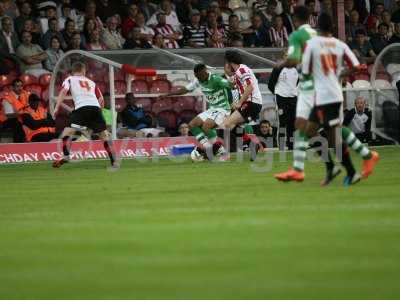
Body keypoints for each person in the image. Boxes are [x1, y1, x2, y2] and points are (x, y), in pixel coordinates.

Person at [274, 7, 378, 185]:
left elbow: (301, 67)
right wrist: (337, 74)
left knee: (331, 132)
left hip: (318, 91)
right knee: (312, 129)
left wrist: (282, 64)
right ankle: (319, 168)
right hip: (326, 90)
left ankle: (362, 159)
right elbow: (355, 65)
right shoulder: (333, 41)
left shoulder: (302, 38)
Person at [52, 62, 118, 169]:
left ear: (73, 71)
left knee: (67, 133)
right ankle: (114, 161)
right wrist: (98, 114)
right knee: (104, 135)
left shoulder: (70, 79)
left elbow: (64, 91)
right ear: (84, 71)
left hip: (81, 108)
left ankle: (66, 155)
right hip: (95, 108)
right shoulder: (91, 82)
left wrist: (56, 107)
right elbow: (101, 100)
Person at [162, 63, 233, 159]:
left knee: (206, 126)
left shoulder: (216, 79)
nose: (198, 78)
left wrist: (234, 81)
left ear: (205, 72)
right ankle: (209, 148)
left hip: (223, 109)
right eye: (196, 76)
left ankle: (222, 152)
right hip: (212, 109)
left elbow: (230, 85)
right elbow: (185, 89)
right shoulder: (198, 80)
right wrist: (168, 94)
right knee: (192, 124)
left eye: (199, 75)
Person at [222, 50, 263, 132]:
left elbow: (250, 87)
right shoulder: (238, 71)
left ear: (229, 62)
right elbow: (232, 84)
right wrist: (227, 73)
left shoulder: (242, 70)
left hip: (252, 103)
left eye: (226, 61)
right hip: (249, 103)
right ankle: (244, 143)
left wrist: (239, 103)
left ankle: (246, 142)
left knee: (227, 124)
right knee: (230, 125)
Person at [268, 50, 298, 150]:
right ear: (283, 57)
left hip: (293, 97)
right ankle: (280, 145)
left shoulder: (297, 68)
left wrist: (292, 91)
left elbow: (297, 82)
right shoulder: (278, 68)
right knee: (282, 121)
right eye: (286, 56)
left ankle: (291, 145)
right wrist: (278, 93)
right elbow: (271, 84)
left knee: (292, 122)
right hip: (281, 97)